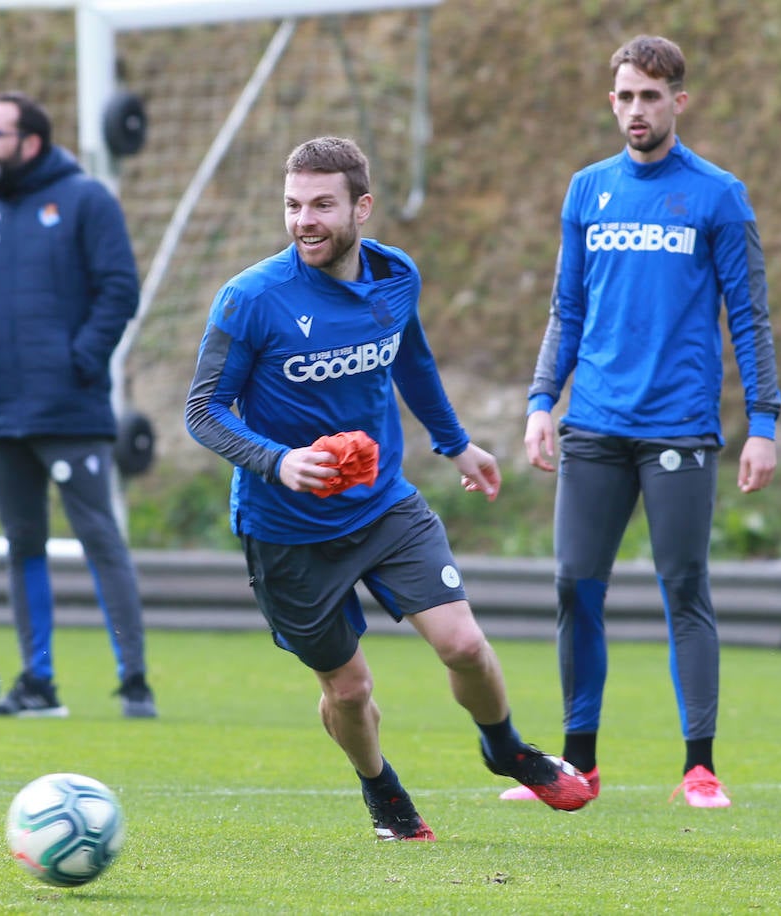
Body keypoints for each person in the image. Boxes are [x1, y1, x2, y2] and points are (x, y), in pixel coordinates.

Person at [184, 136, 593, 841]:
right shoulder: (251, 299)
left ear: (361, 208)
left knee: (464, 644)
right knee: (349, 689)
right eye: (292, 205)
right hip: (286, 529)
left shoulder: (397, 277)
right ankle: (381, 789)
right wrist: (277, 461)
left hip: (383, 506)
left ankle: (506, 747)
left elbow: (413, 360)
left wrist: (456, 442)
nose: (303, 220)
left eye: (320, 205)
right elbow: (202, 410)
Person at [510, 35, 780, 809]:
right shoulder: (586, 191)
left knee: (684, 586)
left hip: (678, 429)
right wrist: (539, 403)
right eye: (626, 96)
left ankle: (699, 766)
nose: (637, 109)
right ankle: (577, 765)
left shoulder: (717, 195)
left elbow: (750, 318)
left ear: (678, 103)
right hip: (592, 422)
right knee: (572, 585)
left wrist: (762, 421)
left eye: (651, 97)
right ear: (612, 101)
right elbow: (567, 310)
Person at [0, 91, 155, 719]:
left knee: (99, 536)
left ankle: (134, 682)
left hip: (70, 408)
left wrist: (80, 362)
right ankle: (38, 684)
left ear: (31, 142)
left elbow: (119, 290)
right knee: (22, 543)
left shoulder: (86, 200)